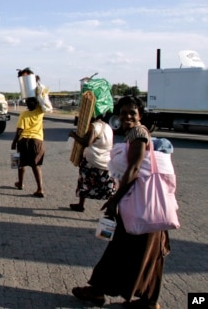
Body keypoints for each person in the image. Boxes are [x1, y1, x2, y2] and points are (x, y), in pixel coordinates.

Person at [72, 96, 170, 309]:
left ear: (140, 115)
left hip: (140, 203)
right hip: (143, 203)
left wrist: (114, 200)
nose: (127, 117)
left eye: (132, 113)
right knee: (147, 252)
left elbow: (133, 169)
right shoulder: (136, 134)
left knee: (122, 249)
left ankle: (100, 291)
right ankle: (146, 300)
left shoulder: (137, 133)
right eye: (123, 113)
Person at [67, 115, 117, 212]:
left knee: (84, 182)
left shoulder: (94, 126)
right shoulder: (108, 126)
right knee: (108, 186)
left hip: (92, 161)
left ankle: (81, 205)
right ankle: (111, 207)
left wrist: (74, 135)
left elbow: (87, 143)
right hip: (107, 162)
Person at [10, 96, 45, 197]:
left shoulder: (24, 114)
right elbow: (43, 100)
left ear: (27, 104)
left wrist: (14, 142)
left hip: (24, 141)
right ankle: (40, 189)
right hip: (37, 141)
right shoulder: (40, 112)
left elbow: (19, 130)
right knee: (36, 165)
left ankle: (20, 183)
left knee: (20, 163)